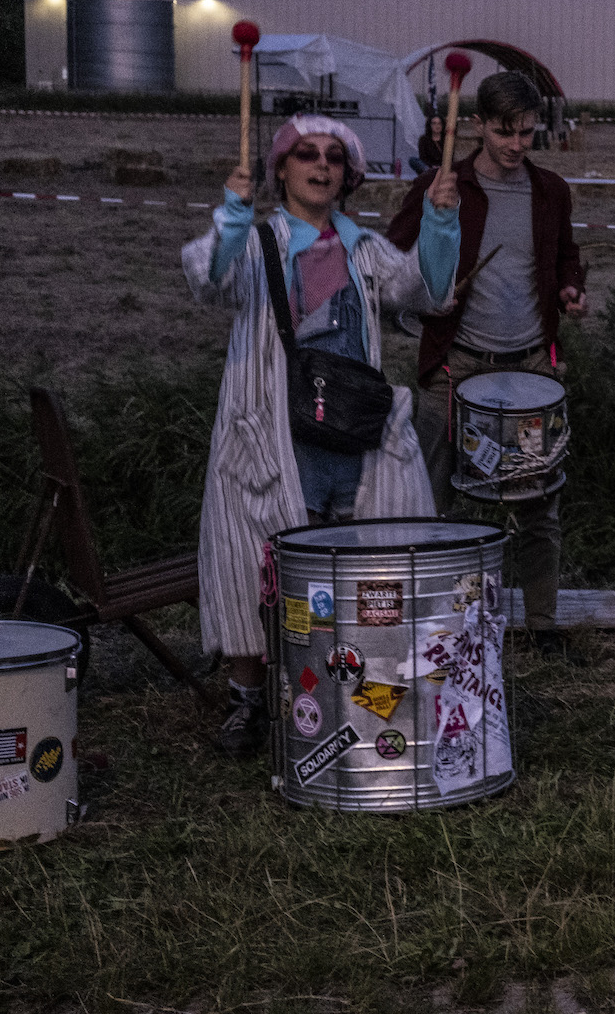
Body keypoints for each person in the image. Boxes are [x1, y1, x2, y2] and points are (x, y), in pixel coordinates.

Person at [184, 113, 461, 758]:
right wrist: (231, 209)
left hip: (355, 440)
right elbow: (208, 278)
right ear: (282, 168)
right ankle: (249, 702)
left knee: (366, 574)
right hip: (274, 436)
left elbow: (427, 290)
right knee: (252, 569)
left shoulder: (365, 251)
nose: (321, 165)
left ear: (348, 175)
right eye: (306, 154)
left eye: (334, 157)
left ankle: (357, 700)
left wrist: (440, 220)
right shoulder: (254, 245)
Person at [390, 72, 587, 636]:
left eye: (527, 132)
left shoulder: (550, 190)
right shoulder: (443, 185)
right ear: (479, 125)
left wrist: (569, 287)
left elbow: (566, 253)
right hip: (456, 364)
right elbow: (390, 258)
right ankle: (428, 628)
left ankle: (543, 624)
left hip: (531, 366)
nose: (517, 144)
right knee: (430, 497)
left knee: (539, 500)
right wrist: (428, 260)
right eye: (506, 132)